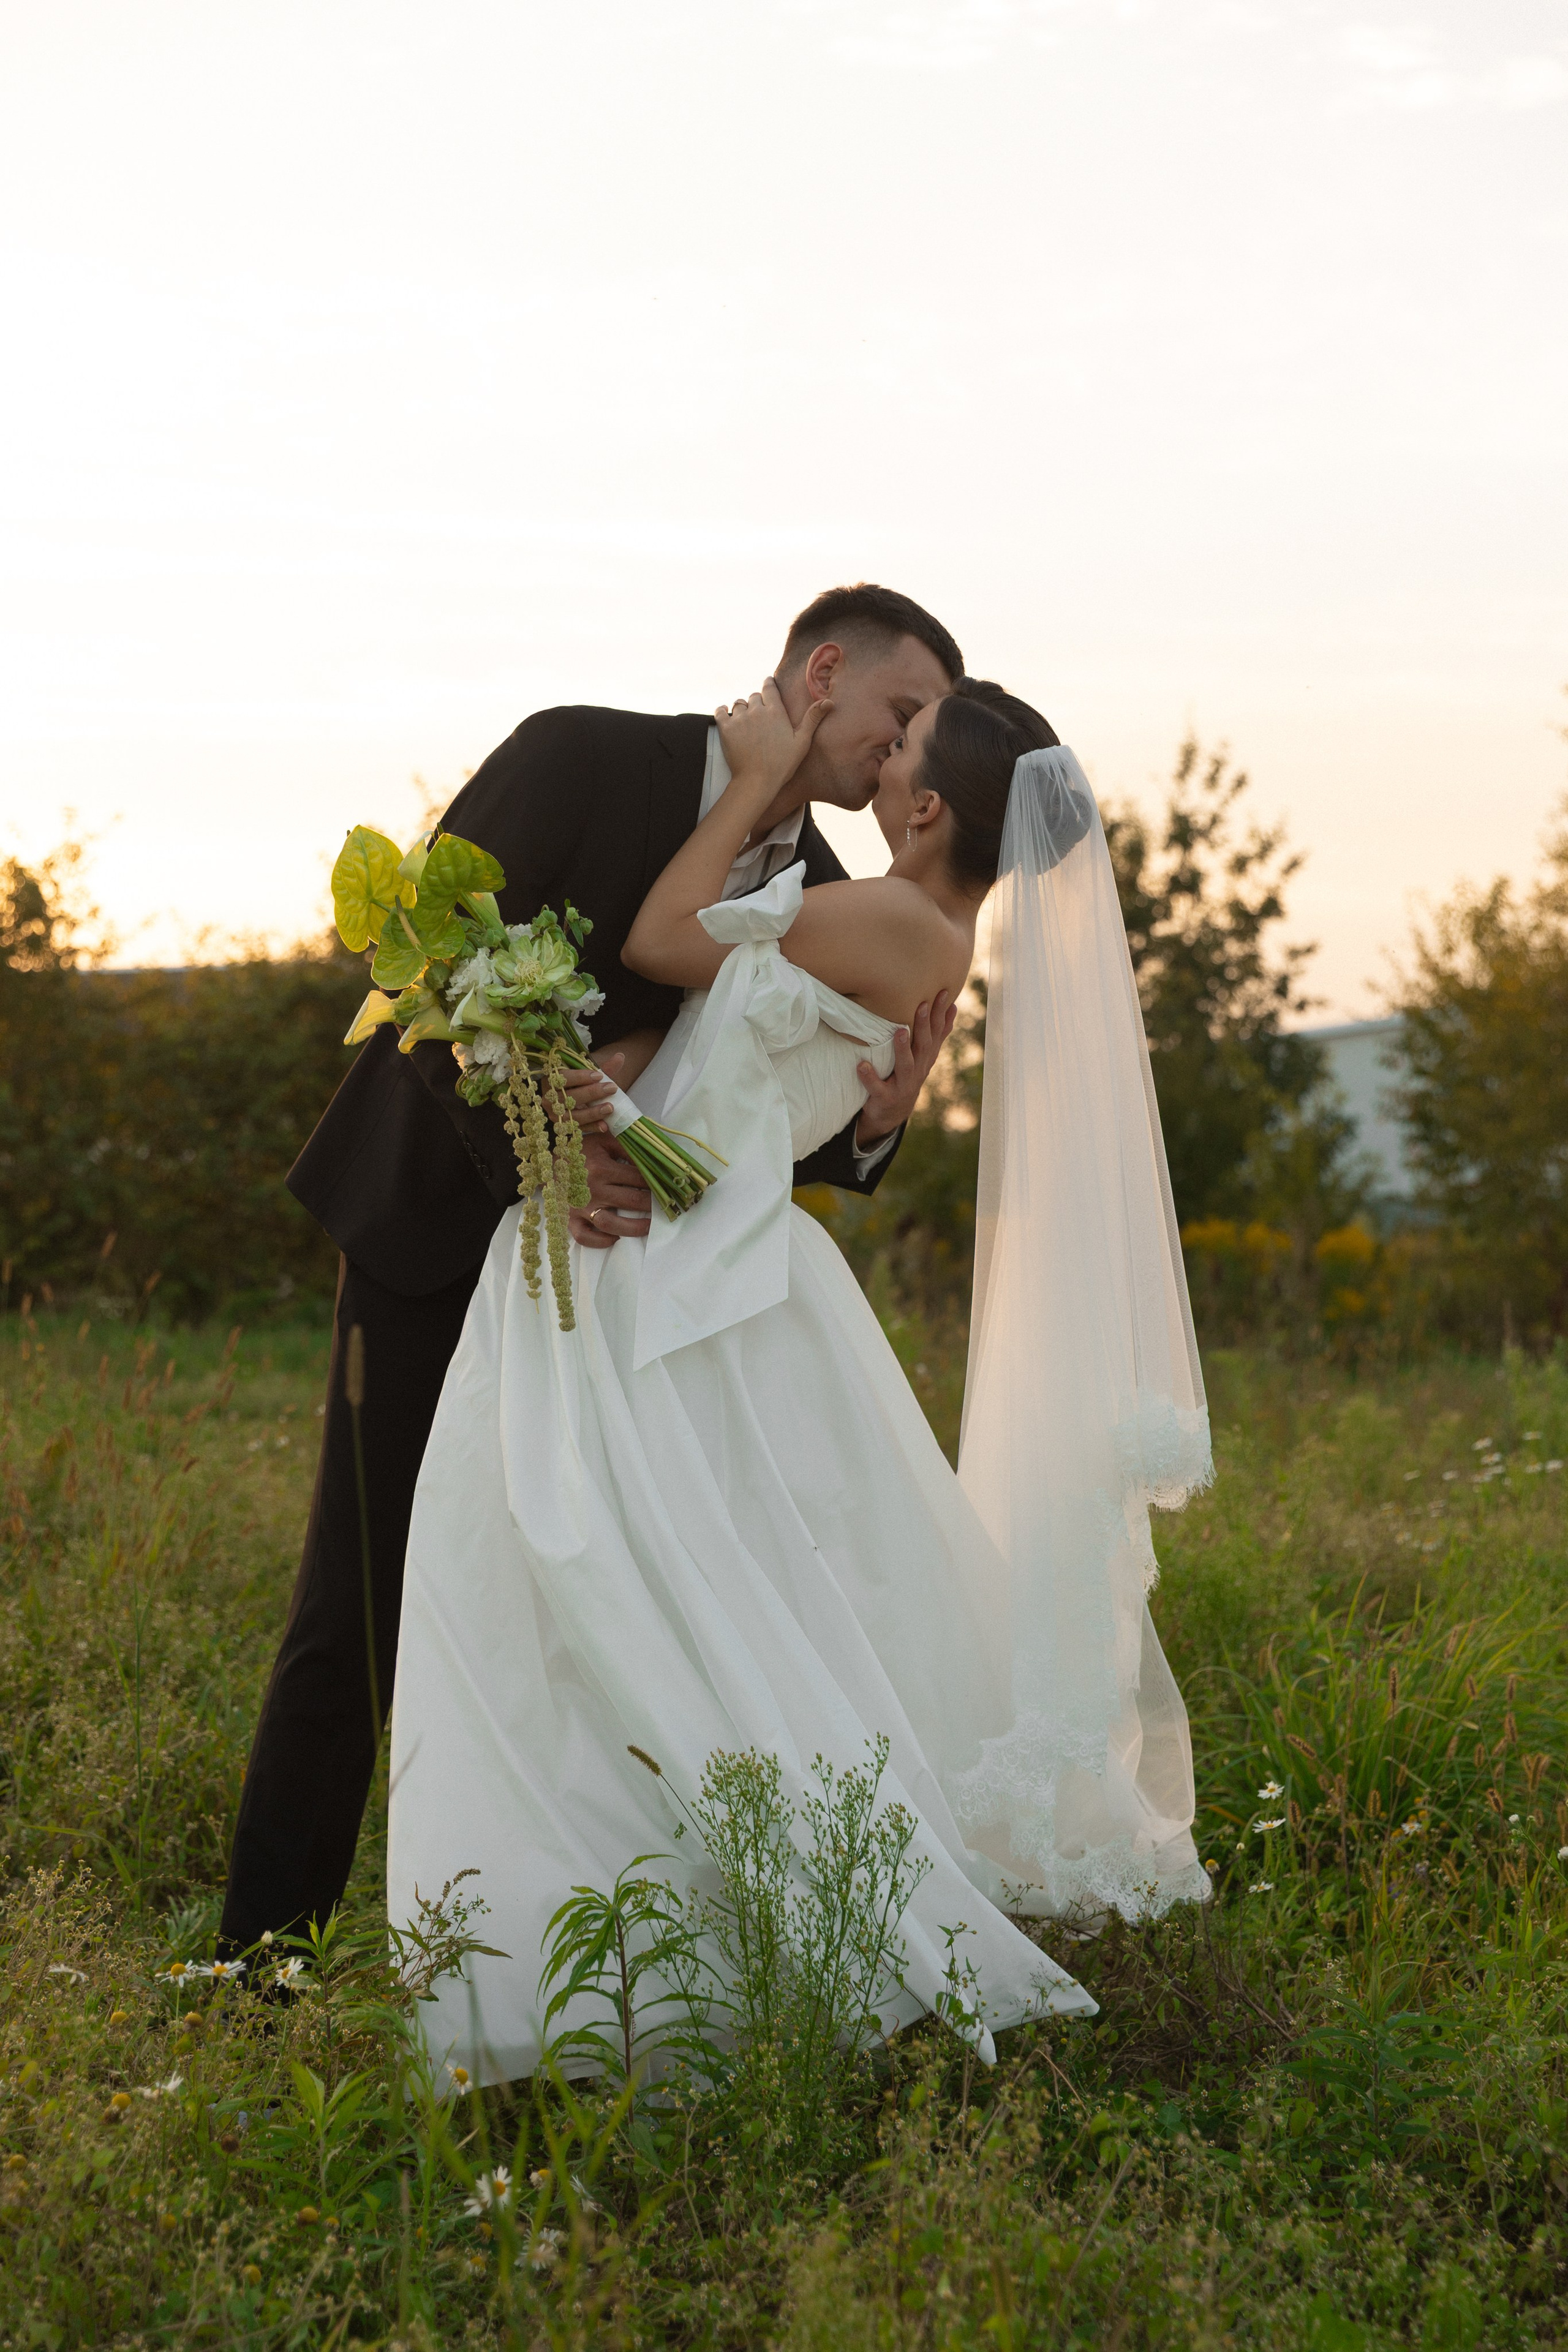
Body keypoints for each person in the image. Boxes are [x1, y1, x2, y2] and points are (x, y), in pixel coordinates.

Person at [387, 674, 1215, 2082]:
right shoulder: (921, 936)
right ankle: (627, 1904)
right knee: (683, 1593)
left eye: (896, 749)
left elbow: (662, 936)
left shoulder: (898, 918)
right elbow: (731, 1057)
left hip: (677, 1272)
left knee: (615, 1578)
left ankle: (662, 1936)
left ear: (927, 801)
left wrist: (762, 782)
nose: (874, 759)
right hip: (700, 1251)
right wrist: (621, 1077)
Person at [219, 584, 965, 1956]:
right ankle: (256, 1961)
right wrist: (535, 1142)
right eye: (900, 711)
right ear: (821, 670)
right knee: (362, 1595)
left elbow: (733, 1117)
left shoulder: (817, 890)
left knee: (591, 1627)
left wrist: (869, 1131)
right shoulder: (581, 752)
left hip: (621, 1312)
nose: (905, 747)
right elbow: (420, 965)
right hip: (435, 1237)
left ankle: (573, 1952)